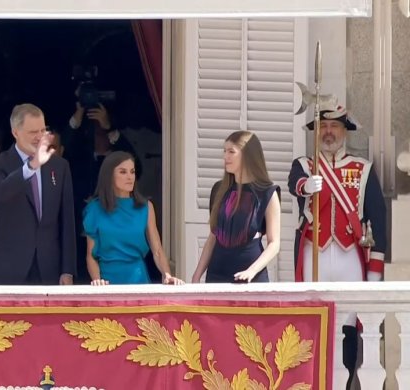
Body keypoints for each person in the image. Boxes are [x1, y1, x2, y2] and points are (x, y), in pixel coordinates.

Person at [287, 101, 386, 388]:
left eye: (334, 126)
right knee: (312, 325)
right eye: (323, 126)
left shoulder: (363, 169)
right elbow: (295, 183)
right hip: (312, 256)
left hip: (349, 260)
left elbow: (377, 220)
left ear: (345, 131)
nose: (328, 132)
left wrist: (375, 273)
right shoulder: (305, 166)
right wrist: (307, 186)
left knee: (348, 329)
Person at [0, 103, 76, 285]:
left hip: (49, 268)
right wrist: (30, 167)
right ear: (15, 132)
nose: (39, 137)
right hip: (9, 269)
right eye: (33, 132)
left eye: (42, 130)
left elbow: (67, 220)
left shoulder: (59, 166)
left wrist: (67, 269)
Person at [63, 101, 141, 284]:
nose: (99, 137)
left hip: (112, 237)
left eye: (103, 133)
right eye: (95, 132)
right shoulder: (79, 157)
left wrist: (109, 127)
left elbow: (135, 166)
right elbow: (61, 149)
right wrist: (78, 116)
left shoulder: (119, 165)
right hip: (80, 232)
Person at [192, 131, 281, 283]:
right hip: (216, 275)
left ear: (248, 155)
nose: (225, 157)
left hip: (250, 277)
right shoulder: (219, 189)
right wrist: (196, 276)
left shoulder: (267, 193)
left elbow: (274, 243)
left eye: (231, 152)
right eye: (224, 151)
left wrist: (252, 271)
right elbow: (213, 237)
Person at [82, 151, 183, 285]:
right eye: (123, 172)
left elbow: (157, 250)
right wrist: (97, 281)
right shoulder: (95, 209)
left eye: (132, 172)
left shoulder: (145, 207)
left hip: (138, 280)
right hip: (107, 283)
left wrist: (167, 275)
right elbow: (91, 256)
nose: (130, 177)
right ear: (109, 175)